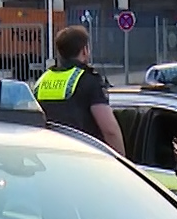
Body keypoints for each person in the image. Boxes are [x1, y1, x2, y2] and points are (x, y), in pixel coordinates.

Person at [33, 25, 125, 155]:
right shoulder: (88, 79)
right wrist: (122, 164)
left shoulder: (42, 81)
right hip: (82, 158)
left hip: (49, 157)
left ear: (59, 53)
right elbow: (110, 130)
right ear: (84, 51)